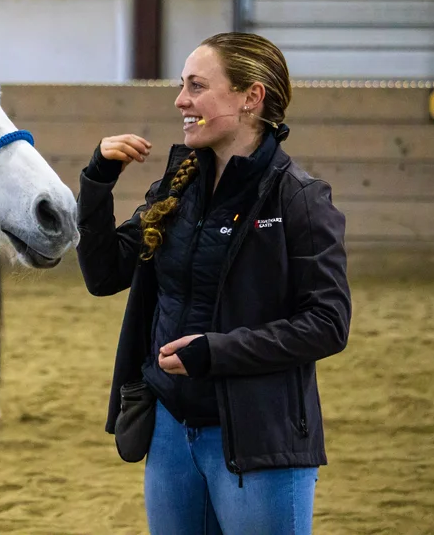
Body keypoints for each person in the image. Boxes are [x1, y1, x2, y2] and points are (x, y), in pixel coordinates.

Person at [76, 33, 351, 534]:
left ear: (252, 97)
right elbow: (104, 274)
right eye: (182, 85)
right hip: (169, 431)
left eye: (197, 86)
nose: (181, 100)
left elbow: (327, 324)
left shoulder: (299, 199)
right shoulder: (176, 189)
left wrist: (214, 352)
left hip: (260, 436)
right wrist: (97, 183)